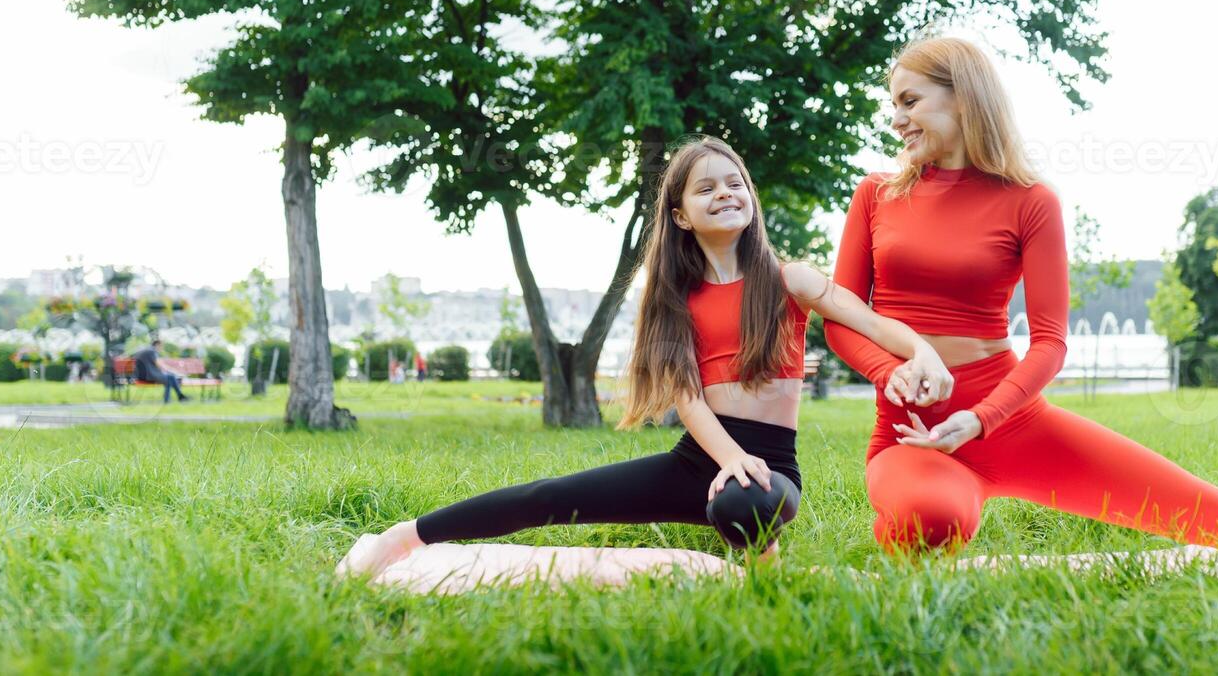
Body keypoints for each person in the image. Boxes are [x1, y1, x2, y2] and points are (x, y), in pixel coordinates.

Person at [824, 36, 1218, 565]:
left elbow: (1050, 344)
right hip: (910, 430)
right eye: (893, 105)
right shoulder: (877, 195)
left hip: (1011, 419)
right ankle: (911, 511)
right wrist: (888, 374)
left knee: (1209, 510)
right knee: (932, 520)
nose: (896, 120)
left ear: (963, 97)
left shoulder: (1031, 202)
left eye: (909, 101)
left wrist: (981, 418)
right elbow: (840, 318)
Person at [338, 135, 951, 581]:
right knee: (548, 495)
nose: (725, 193)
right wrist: (728, 457)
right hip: (702, 457)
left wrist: (921, 350)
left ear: (751, 198)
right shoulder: (673, 300)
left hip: (769, 467)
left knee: (746, 501)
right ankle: (402, 536)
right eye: (705, 187)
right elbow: (687, 397)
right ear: (681, 214)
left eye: (735, 182)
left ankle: (768, 573)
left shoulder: (791, 279)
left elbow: (872, 322)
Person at [130, 338, 189, 404]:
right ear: (157, 345)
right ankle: (174, 398)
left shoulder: (147, 350)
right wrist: (175, 372)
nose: (161, 348)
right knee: (170, 378)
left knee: (170, 377)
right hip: (148, 376)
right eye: (161, 346)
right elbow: (160, 365)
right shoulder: (152, 351)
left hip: (140, 376)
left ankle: (177, 397)